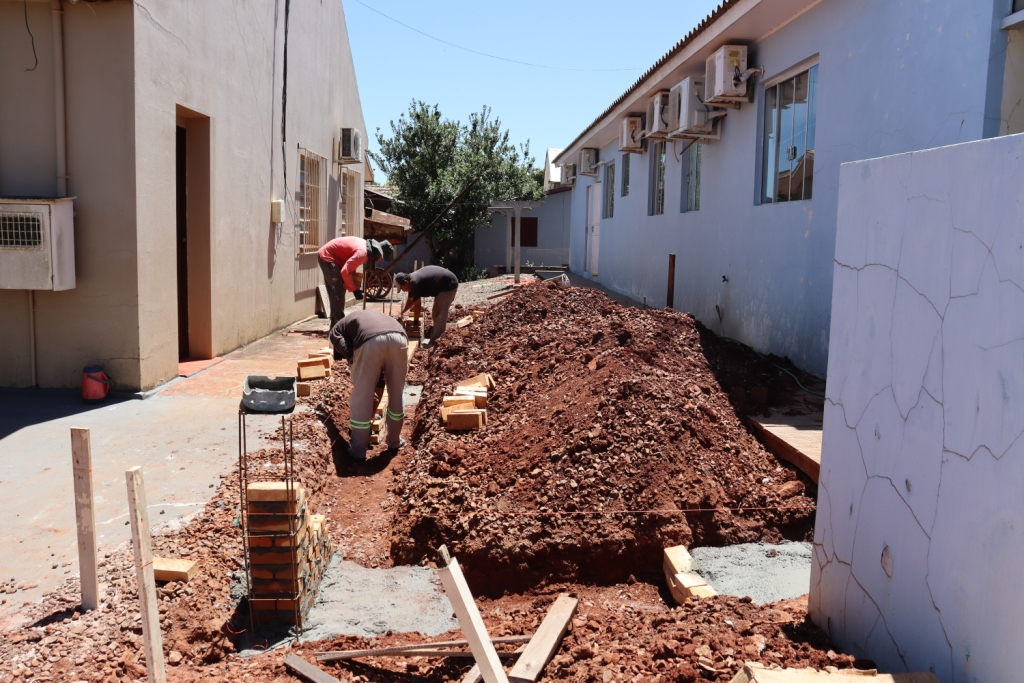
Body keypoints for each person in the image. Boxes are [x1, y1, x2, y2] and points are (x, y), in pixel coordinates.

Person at [328, 309, 408, 460]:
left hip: (371, 341)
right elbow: (381, 378)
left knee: (361, 396)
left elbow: (348, 352)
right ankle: (394, 441)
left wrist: (353, 360)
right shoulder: (358, 320)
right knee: (396, 393)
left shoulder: (335, 331)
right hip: (400, 338)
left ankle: (358, 451)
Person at [317, 237, 395, 326]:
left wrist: (353, 284)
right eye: (383, 257)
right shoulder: (363, 253)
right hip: (327, 256)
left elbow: (349, 267)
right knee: (337, 291)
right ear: (379, 251)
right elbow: (345, 271)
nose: (382, 260)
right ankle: (336, 325)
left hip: (334, 257)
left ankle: (339, 321)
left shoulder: (364, 249)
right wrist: (354, 290)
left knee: (340, 289)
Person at [394, 265, 459, 346]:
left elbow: (417, 305)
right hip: (442, 286)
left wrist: (415, 323)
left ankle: (435, 343)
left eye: (402, 288)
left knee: (440, 315)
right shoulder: (411, 281)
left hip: (448, 285)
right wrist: (402, 312)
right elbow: (411, 300)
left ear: (406, 282)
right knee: (435, 313)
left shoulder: (415, 283)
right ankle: (436, 337)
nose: (403, 290)